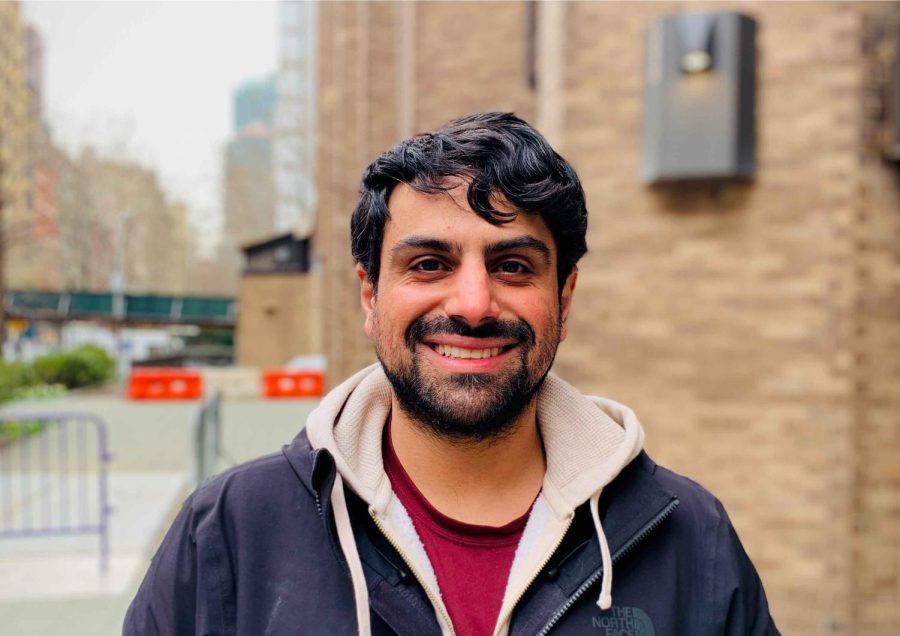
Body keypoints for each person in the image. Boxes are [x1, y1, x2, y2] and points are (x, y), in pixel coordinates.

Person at [125, 112, 779, 635]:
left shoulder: (692, 538)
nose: (472, 304)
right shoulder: (232, 535)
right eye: (430, 264)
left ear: (565, 298)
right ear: (369, 296)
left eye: (514, 266)